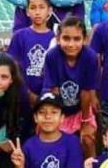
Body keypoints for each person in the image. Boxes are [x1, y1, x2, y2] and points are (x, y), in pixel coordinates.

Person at [42, 16, 99, 158]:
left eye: (76, 39)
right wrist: (58, 118)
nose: (71, 44)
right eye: (66, 38)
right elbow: (54, 90)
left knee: (88, 139)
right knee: (56, 142)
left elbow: (87, 92)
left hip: (81, 108)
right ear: (58, 38)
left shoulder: (90, 57)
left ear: (84, 39)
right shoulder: (52, 56)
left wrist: (85, 121)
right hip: (58, 106)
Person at [7, 0, 57, 115]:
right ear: (27, 12)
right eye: (33, 8)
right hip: (22, 97)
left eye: (41, 7)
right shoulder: (19, 36)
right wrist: (27, 93)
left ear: (50, 11)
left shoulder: (56, 38)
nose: (37, 12)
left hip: (47, 98)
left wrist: (46, 94)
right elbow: (12, 68)